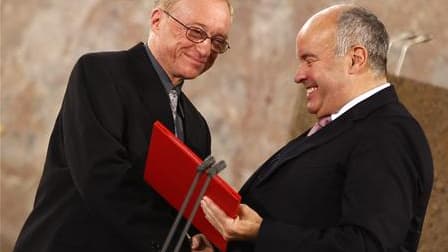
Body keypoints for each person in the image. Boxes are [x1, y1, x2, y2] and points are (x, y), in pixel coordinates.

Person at [197, 4, 433, 252]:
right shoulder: (344, 126)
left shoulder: (388, 133)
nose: (298, 75)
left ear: (355, 59)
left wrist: (261, 232)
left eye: (309, 60)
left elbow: (368, 245)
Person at [13, 0, 232, 252]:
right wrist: (178, 245)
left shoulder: (197, 126)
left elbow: (183, 207)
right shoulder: (99, 73)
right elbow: (102, 176)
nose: (205, 49)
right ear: (157, 20)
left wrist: (202, 238)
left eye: (217, 41)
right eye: (196, 31)